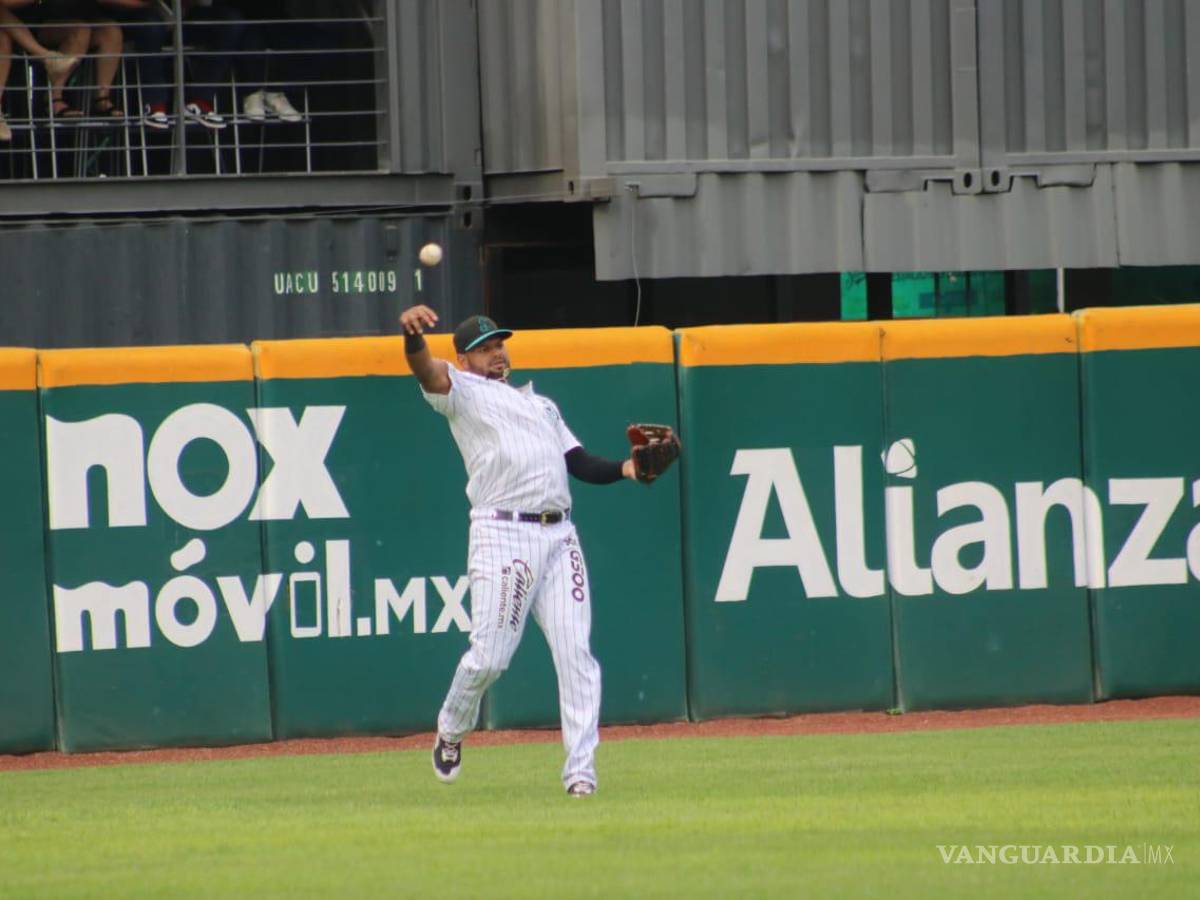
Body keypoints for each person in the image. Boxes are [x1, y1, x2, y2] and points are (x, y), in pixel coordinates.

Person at [399, 304, 640, 797]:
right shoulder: (461, 392)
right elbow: (425, 370)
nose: (496, 354)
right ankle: (451, 727)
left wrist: (628, 469)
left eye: (499, 345)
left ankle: (580, 775)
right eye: (484, 350)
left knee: (576, 655)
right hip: (503, 535)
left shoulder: (542, 405)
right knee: (490, 658)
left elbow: (581, 463)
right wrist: (412, 339)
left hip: (559, 536)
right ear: (464, 360)